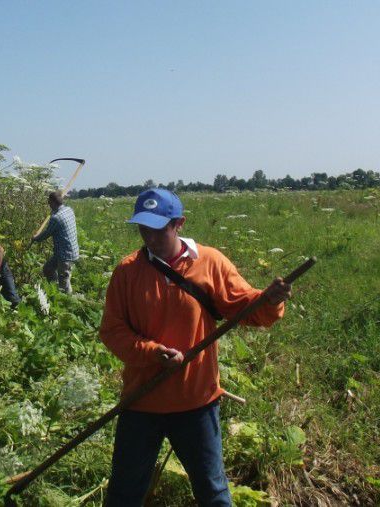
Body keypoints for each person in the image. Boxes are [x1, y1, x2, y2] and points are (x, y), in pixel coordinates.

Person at [99, 188, 292, 506]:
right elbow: (112, 331)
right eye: (143, 228)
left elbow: (244, 306)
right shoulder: (127, 271)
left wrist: (268, 301)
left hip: (196, 404)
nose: (149, 236)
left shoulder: (210, 263)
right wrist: (152, 353)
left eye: (158, 228)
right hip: (141, 403)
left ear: (179, 223)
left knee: (213, 493)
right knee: (124, 495)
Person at [31, 191, 79, 293]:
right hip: (63, 252)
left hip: (66, 255)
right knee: (48, 269)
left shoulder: (56, 218)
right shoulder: (69, 210)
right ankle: (54, 290)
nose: (49, 205)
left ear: (53, 202)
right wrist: (54, 211)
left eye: (49, 203)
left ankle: (66, 301)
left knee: (64, 284)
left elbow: (46, 234)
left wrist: (35, 238)